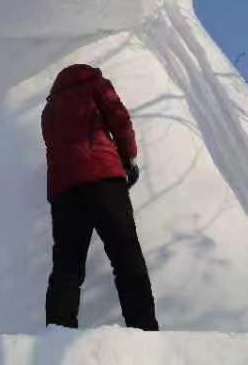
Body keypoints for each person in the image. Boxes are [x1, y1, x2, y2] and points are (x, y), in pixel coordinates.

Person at [41, 64, 159, 331]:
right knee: (125, 255)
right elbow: (120, 120)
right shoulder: (96, 84)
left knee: (67, 268)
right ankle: (144, 329)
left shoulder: (49, 109)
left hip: (63, 191)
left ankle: (57, 334)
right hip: (102, 179)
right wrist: (128, 158)